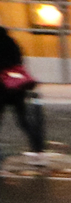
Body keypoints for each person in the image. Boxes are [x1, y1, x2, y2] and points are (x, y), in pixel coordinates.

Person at [0, 23, 43, 158]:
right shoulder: (12, 43)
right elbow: (19, 62)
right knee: (23, 120)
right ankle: (37, 149)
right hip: (16, 87)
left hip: (1, 87)